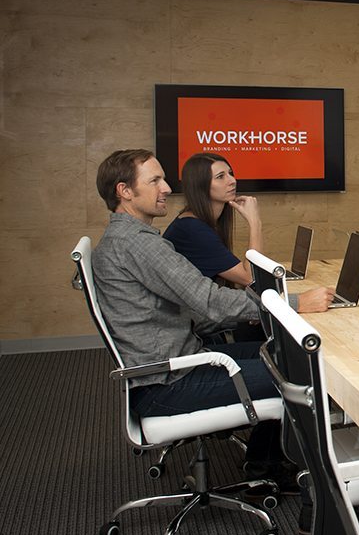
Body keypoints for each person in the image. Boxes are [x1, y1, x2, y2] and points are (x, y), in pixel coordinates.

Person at [91, 149, 334, 485]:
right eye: (155, 181)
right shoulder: (136, 244)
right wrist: (293, 304)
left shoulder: (131, 239)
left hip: (174, 364)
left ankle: (269, 464)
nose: (166, 188)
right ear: (125, 191)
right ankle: (314, 499)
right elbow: (209, 300)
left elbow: (189, 307)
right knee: (306, 374)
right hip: (170, 382)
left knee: (286, 352)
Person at [163, 152, 261, 287]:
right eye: (220, 177)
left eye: (230, 173)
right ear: (200, 185)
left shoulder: (200, 222)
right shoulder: (192, 229)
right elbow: (250, 278)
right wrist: (255, 222)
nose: (232, 181)